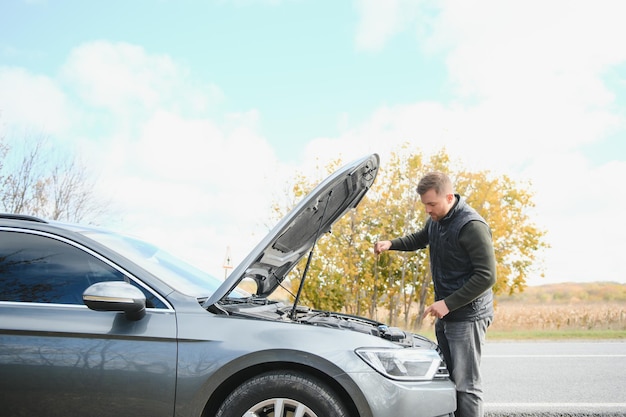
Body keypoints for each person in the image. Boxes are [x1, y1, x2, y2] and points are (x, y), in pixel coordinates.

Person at [374, 171, 496, 417]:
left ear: (449, 197)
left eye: (431, 204)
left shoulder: (471, 225)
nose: (428, 210)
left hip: (468, 315)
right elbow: (420, 238)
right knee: (449, 379)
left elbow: (487, 276)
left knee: (467, 385)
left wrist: (448, 304)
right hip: (448, 312)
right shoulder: (437, 220)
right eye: (425, 205)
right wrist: (391, 244)